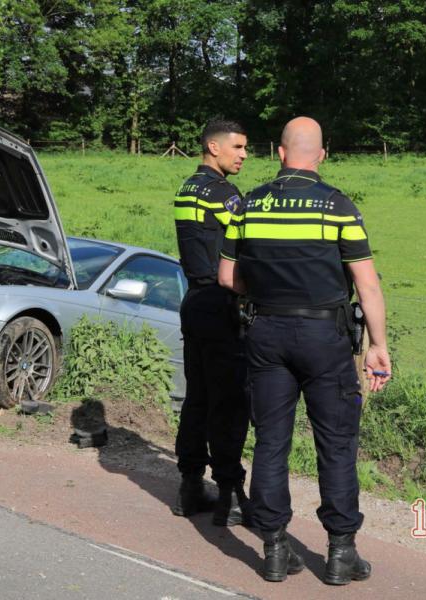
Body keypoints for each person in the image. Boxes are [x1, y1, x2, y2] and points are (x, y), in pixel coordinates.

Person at [218, 116, 391, 584]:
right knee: (335, 444)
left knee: (270, 441)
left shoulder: (249, 204)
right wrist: (378, 345)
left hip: (265, 332)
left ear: (279, 152)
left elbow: (226, 277)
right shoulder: (338, 206)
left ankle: (274, 549)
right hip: (324, 338)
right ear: (322, 155)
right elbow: (367, 285)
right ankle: (340, 553)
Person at [171, 119, 251, 527]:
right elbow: (248, 242)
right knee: (230, 402)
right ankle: (231, 496)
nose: (243, 155)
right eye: (237, 147)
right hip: (222, 305)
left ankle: (189, 485)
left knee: (197, 397)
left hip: (193, 302)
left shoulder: (187, 187)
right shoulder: (224, 194)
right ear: (213, 147)